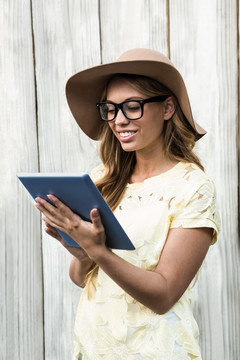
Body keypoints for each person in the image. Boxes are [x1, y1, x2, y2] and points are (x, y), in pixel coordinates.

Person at [35, 49, 220, 360]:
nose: (119, 120)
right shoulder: (102, 180)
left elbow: (163, 295)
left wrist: (97, 251)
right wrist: (81, 254)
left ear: (167, 108)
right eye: (110, 109)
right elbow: (82, 279)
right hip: (93, 349)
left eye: (132, 107)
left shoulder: (193, 187)